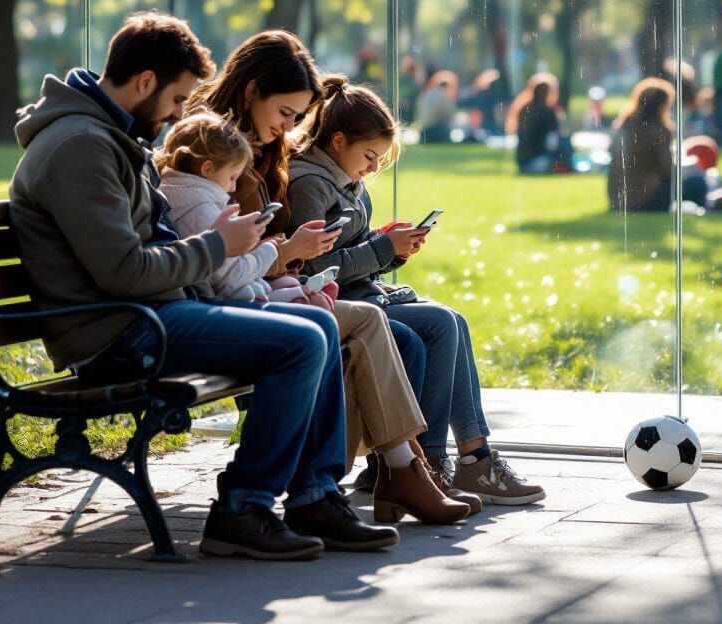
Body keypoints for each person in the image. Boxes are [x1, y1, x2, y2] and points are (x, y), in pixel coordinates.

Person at [8, 12, 397, 559]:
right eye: (175, 98)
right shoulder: (81, 147)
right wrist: (220, 246)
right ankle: (243, 507)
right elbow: (123, 271)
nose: (177, 113)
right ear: (145, 81)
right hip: (117, 332)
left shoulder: (106, 137)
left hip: (149, 314)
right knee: (301, 340)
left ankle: (314, 495)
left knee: (316, 323)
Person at [188, 31, 468, 525]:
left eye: (297, 117)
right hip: (246, 298)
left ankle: (403, 469)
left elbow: (259, 252)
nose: (290, 128)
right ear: (251, 92)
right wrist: (290, 254)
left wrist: (299, 258)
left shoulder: (265, 154)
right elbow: (228, 261)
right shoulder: (220, 158)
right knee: (376, 330)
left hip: (271, 288)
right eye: (285, 113)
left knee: (430, 325)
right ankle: (368, 477)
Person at [288, 76, 547, 510]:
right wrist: (382, 248)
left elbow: (352, 250)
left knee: (454, 319)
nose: (373, 167)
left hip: (361, 294)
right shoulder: (309, 184)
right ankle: (432, 462)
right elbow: (316, 267)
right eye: (369, 156)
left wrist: (390, 248)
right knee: (441, 324)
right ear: (337, 141)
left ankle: (471, 456)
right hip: (338, 302)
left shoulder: (346, 180)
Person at [157, 111, 338, 306]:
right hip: (216, 299)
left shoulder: (184, 198)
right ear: (207, 169)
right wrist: (269, 250)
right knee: (307, 304)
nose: (233, 187)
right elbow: (232, 276)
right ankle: (297, 294)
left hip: (219, 291)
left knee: (289, 286)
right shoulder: (200, 210)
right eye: (232, 177)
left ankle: (296, 291)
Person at [608, 78, 707, 212]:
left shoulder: (624, 126)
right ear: (662, 105)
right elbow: (668, 171)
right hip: (644, 199)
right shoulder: (657, 130)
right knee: (698, 183)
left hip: (618, 201)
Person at [516, 80, 567, 174]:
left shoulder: (525, 109)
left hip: (523, 163)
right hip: (540, 161)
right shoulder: (547, 112)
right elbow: (552, 143)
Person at [417, 70, 458, 143]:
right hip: (437, 132)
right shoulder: (443, 97)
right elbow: (449, 115)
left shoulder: (426, 95)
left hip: (424, 132)